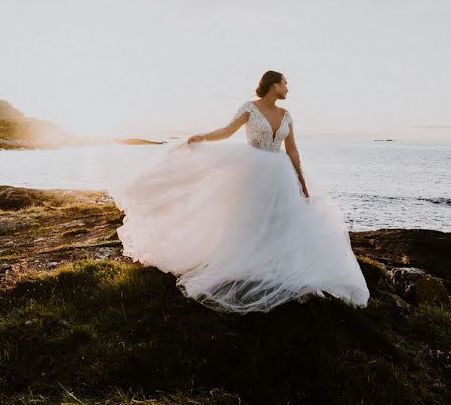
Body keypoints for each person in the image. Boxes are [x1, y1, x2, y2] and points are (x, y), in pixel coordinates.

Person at [109, 70, 370, 314]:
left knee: (280, 220)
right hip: (254, 169)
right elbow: (226, 131)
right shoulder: (249, 108)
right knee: (250, 217)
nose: (287, 87)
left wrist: (301, 180)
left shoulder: (286, 114)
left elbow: (292, 149)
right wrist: (198, 138)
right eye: (284, 83)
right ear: (273, 85)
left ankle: (273, 267)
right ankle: (245, 264)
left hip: (281, 171)